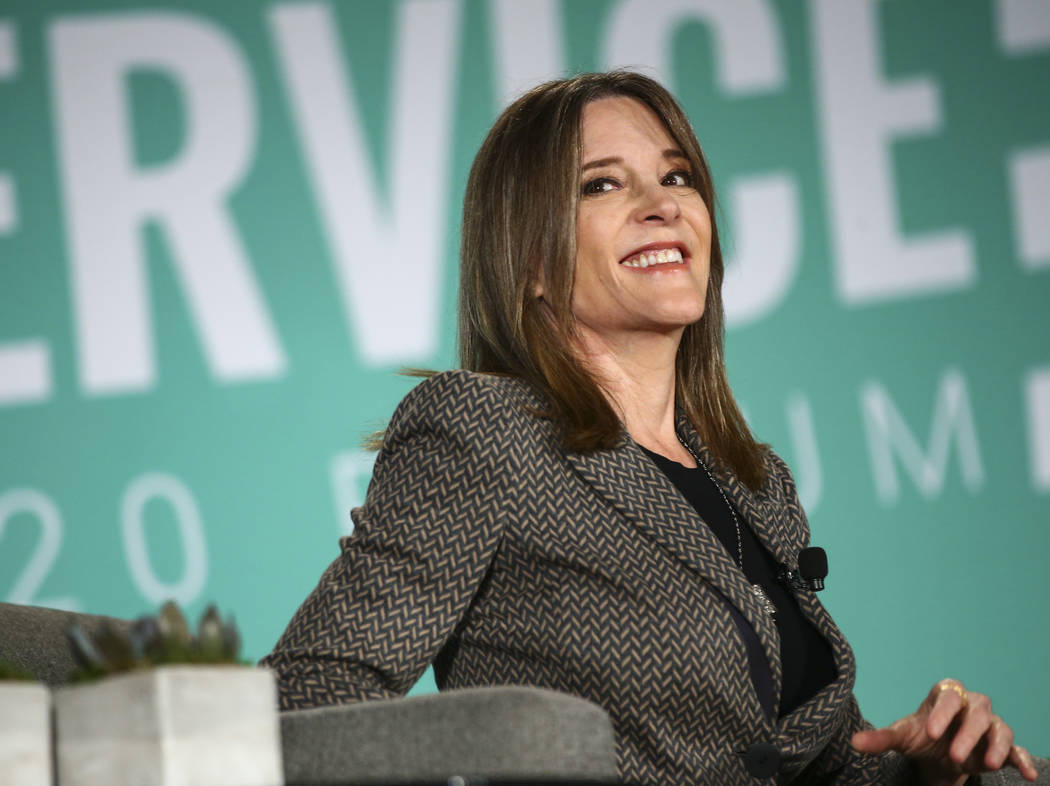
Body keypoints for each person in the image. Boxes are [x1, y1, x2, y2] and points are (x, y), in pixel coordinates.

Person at [261, 71, 1042, 785]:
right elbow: (310, 696)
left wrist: (938, 761)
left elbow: (815, 767)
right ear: (529, 259)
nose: (663, 203)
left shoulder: (756, 483)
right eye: (602, 185)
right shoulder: (484, 431)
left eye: (678, 177)